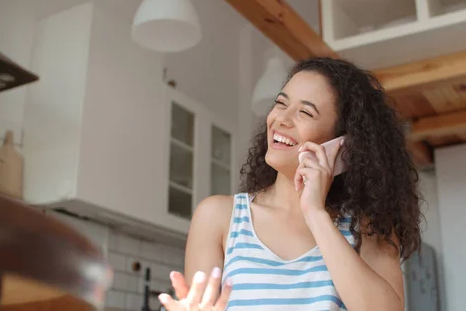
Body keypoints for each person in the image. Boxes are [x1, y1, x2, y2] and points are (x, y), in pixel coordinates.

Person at [158, 57, 423, 311]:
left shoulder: (367, 228)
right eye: (281, 103)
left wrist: (315, 213)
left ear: (344, 146)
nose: (281, 119)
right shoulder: (219, 217)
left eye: (305, 112)